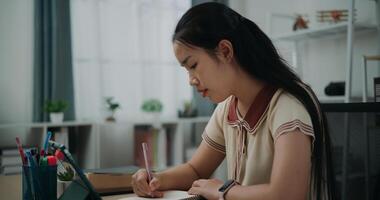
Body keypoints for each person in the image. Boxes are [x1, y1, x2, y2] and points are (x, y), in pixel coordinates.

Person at [131, 2, 335, 200]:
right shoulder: (227, 108)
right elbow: (196, 170)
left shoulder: (288, 104)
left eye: (193, 65)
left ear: (225, 51)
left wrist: (223, 190)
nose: (191, 80)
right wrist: (157, 179)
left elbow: (287, 195)